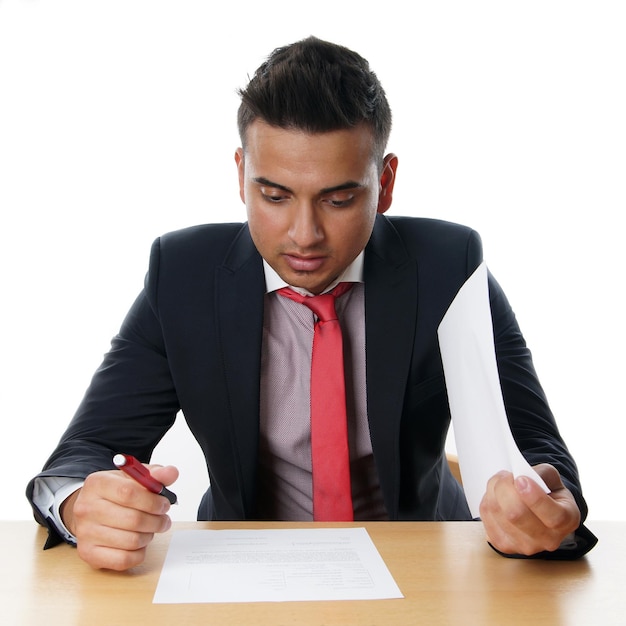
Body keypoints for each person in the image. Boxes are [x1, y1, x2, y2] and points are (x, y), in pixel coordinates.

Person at [27, 36, 597, 571]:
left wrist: (547, 504)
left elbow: (538, 449)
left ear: (386, 182)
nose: (304, 235)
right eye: (273, 195)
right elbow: (83, 452)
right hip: (242, 569)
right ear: (241, 175)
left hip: (421, 564)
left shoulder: (449, 268)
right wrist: (82, 506)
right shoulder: (183, 275)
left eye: (340, 198)